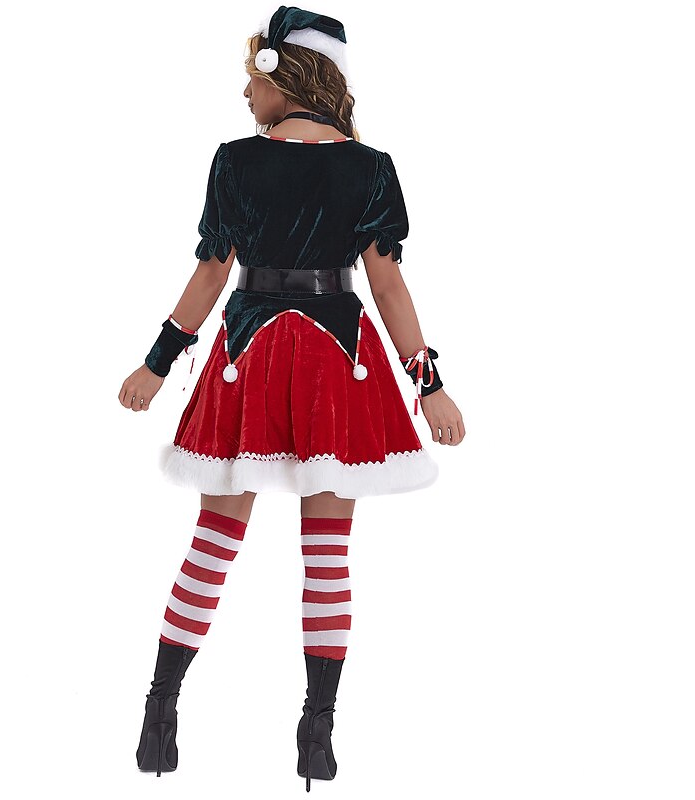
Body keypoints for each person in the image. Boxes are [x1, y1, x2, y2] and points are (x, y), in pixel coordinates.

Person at [118, 5, 466, 790]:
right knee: (328, 553)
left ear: (288, 77)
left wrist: (156, 364)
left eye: (253, 78)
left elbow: (213, 273)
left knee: (214, 541)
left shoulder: (236, 161)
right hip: (338, 359)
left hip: (253, 351)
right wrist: (430, 386)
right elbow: (387, 287)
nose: (246, 93)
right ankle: (317, 732)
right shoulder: (370, 167)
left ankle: (161, 708)